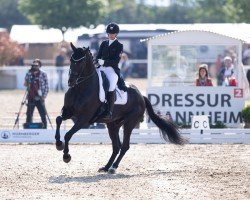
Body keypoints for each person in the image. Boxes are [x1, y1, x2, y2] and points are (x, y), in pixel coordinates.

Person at [96, 22, 127, 120]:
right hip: (101, 67)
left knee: (111, 85)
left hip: (112, 69)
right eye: (109, 33)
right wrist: (97, 61)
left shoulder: (119, 45)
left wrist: (104, 62)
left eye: (113, 33)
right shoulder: (104, 43)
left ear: (116, 34)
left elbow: (115, 61)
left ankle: (109, 111)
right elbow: (98, 56)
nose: (111, 35)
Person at [24, 59, 49, 128]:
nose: (35, 66)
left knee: (43, 114)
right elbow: (25, 84)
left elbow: (47, 86)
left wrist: (44, 96)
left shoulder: (43, 74)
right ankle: (28, 128)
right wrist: (29, 76)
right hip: (30, 97)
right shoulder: (29, 73)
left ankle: (45, 128)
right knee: (29, 114)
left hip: (40, 97)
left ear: (40, 66)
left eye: (36, 65)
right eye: (34, 65)